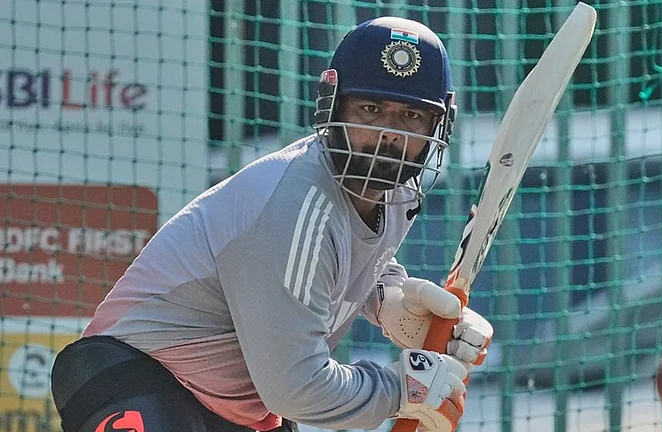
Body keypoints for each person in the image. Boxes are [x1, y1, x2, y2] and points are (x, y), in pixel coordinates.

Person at [50, 16, 494, 432]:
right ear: (334, 108)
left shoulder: (395, 195)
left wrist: (390, 299)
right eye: (370, 108)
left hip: (240, 407)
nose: (389, 134)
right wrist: (399, 389)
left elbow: (345, 260)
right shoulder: (297, 204)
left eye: (411, 116)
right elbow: (297, 388)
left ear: (438, 124)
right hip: (134, 374)